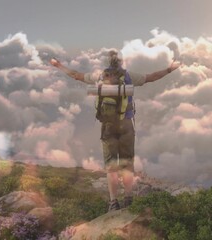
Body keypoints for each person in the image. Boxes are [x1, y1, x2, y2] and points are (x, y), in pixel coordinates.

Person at [49, 51, 180, 211]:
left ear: (108, 62)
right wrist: (169, 69)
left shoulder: (99, 76)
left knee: (111, 166)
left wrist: (58, 65)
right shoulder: (129, 76)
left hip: (107, 127)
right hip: (126, 126)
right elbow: (151, 77)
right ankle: (128, 199)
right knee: (127, 164)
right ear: (121, 62)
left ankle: (113, 203)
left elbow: (76, 75)